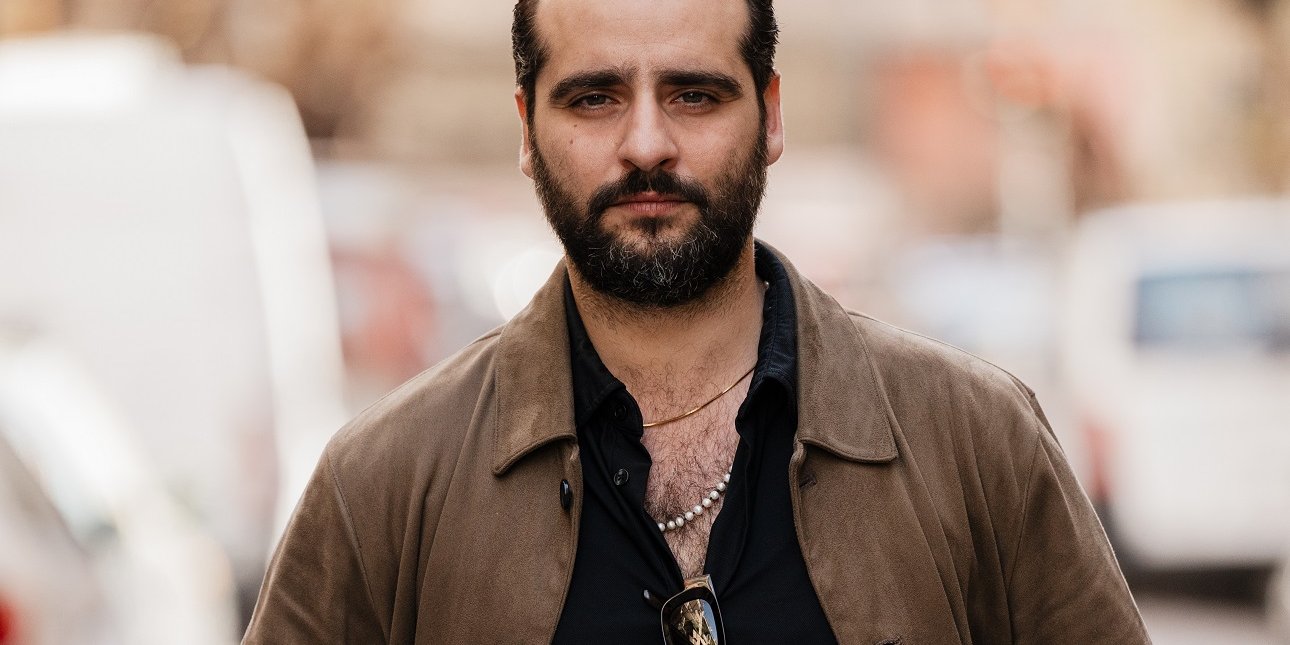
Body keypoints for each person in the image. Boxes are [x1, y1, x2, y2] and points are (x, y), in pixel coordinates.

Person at [243, 0, 1151, 642]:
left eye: (694, 94)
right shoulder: (383, 484)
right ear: (526, 129)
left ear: (772, 117)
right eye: (594, 97)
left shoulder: (977, 443)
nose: (646, 143)